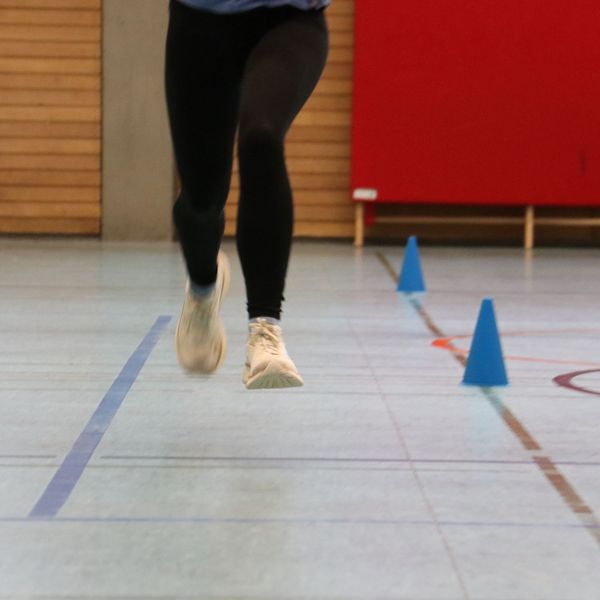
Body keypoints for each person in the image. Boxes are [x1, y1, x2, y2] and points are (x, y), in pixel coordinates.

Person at [165, 0, 330, 389]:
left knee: (261, 136)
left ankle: (265, 330)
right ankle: (203, 287)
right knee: (201, 199)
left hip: (290, 19)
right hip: (200, 25)